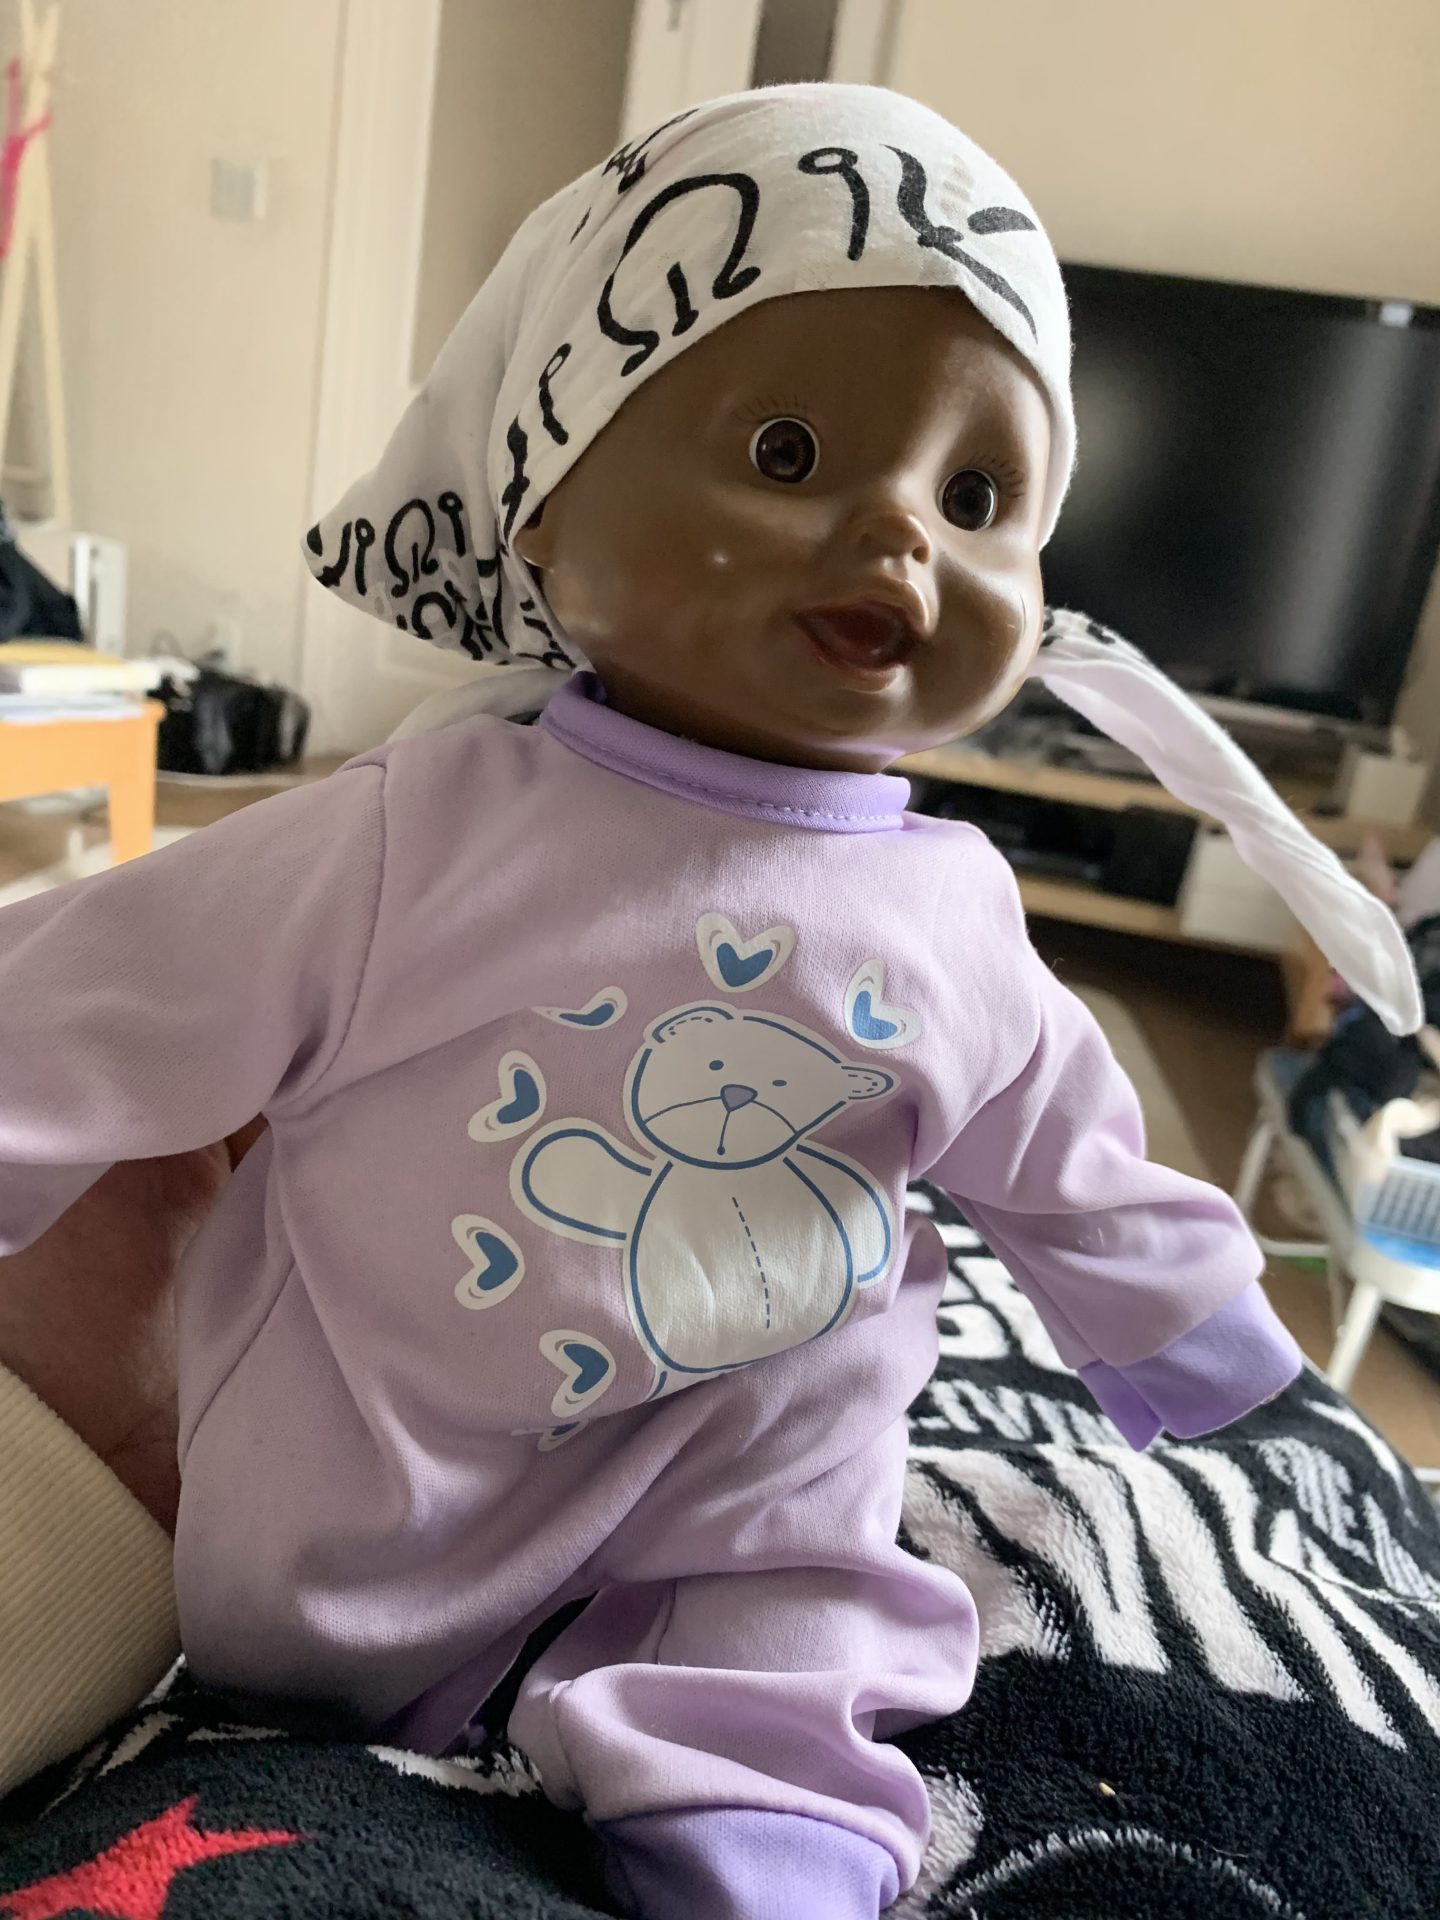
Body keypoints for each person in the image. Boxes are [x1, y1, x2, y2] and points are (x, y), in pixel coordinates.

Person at [0, 85, 1420, 1916]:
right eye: (790, 449)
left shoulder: (957, 911)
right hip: (381, 1514)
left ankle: (761, 1843)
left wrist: (1231, 1369)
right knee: (339, 1559)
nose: (901, 535)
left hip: (753, 1487)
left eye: (978, 497)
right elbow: (91, 1000)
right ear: (544, 509)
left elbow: (1079, 1170)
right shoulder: (411, 838)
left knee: (814, 1585)